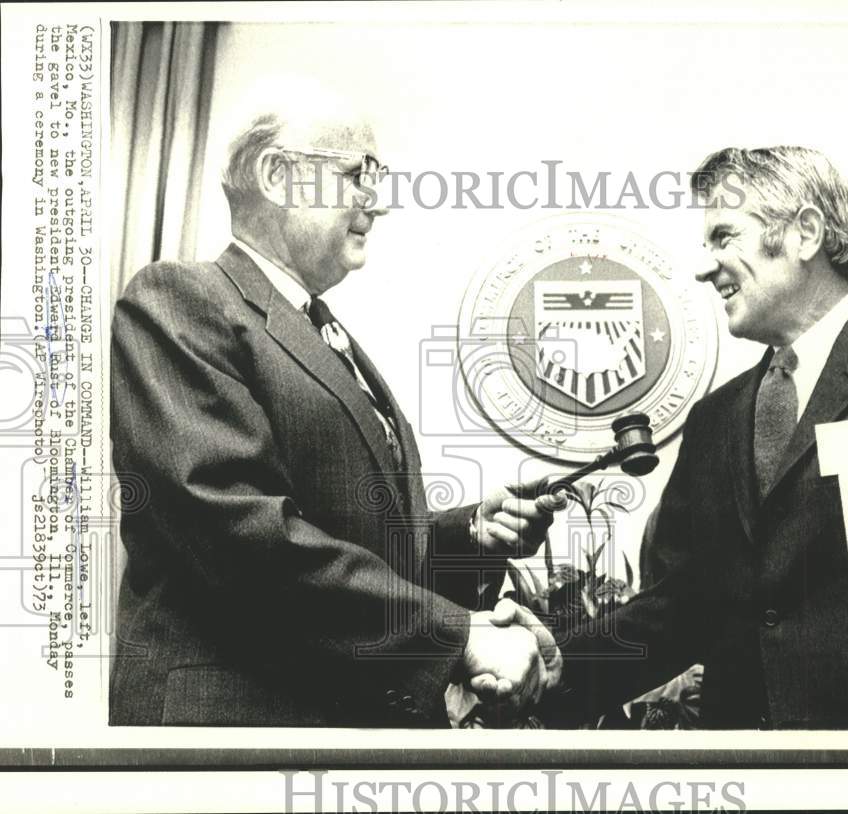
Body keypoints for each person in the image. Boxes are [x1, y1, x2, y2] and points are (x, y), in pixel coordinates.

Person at [109, 91, 564, 727]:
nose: (378, 200)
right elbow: (239, 536)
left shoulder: (318, 330)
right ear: (277, 176)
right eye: (359, 174)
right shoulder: (180, 300)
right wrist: (459, 635)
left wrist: (468, 537)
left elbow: (349, 539)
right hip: (235, 732)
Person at [489, 146, 848, 729]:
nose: (705, 266)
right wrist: (563, 663)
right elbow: (682, 604)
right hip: (746, 770)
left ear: (805, 233)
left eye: (724, 237)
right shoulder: (714, 420)